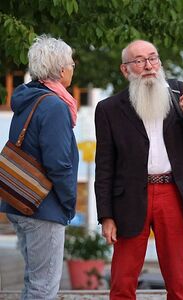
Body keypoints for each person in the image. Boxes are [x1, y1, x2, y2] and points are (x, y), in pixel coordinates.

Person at [94, 39, 183, 300]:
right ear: (125, 69)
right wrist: (106, 216)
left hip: (173, 193)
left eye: (153, 58)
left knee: (179, 282)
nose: (148, 65)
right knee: (123, 283)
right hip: (130, 199)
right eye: (139, 60)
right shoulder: (109, 109)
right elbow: (104, 167)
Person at [0, 35, 79, 299]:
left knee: (33, 282)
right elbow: (58, 164)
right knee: (44, 287)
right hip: (43, 207)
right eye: (70, 62)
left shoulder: (28, 99)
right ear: (59, 70)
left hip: (20, 201)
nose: (73, 66)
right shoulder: (55, 106)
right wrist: (69, 203)